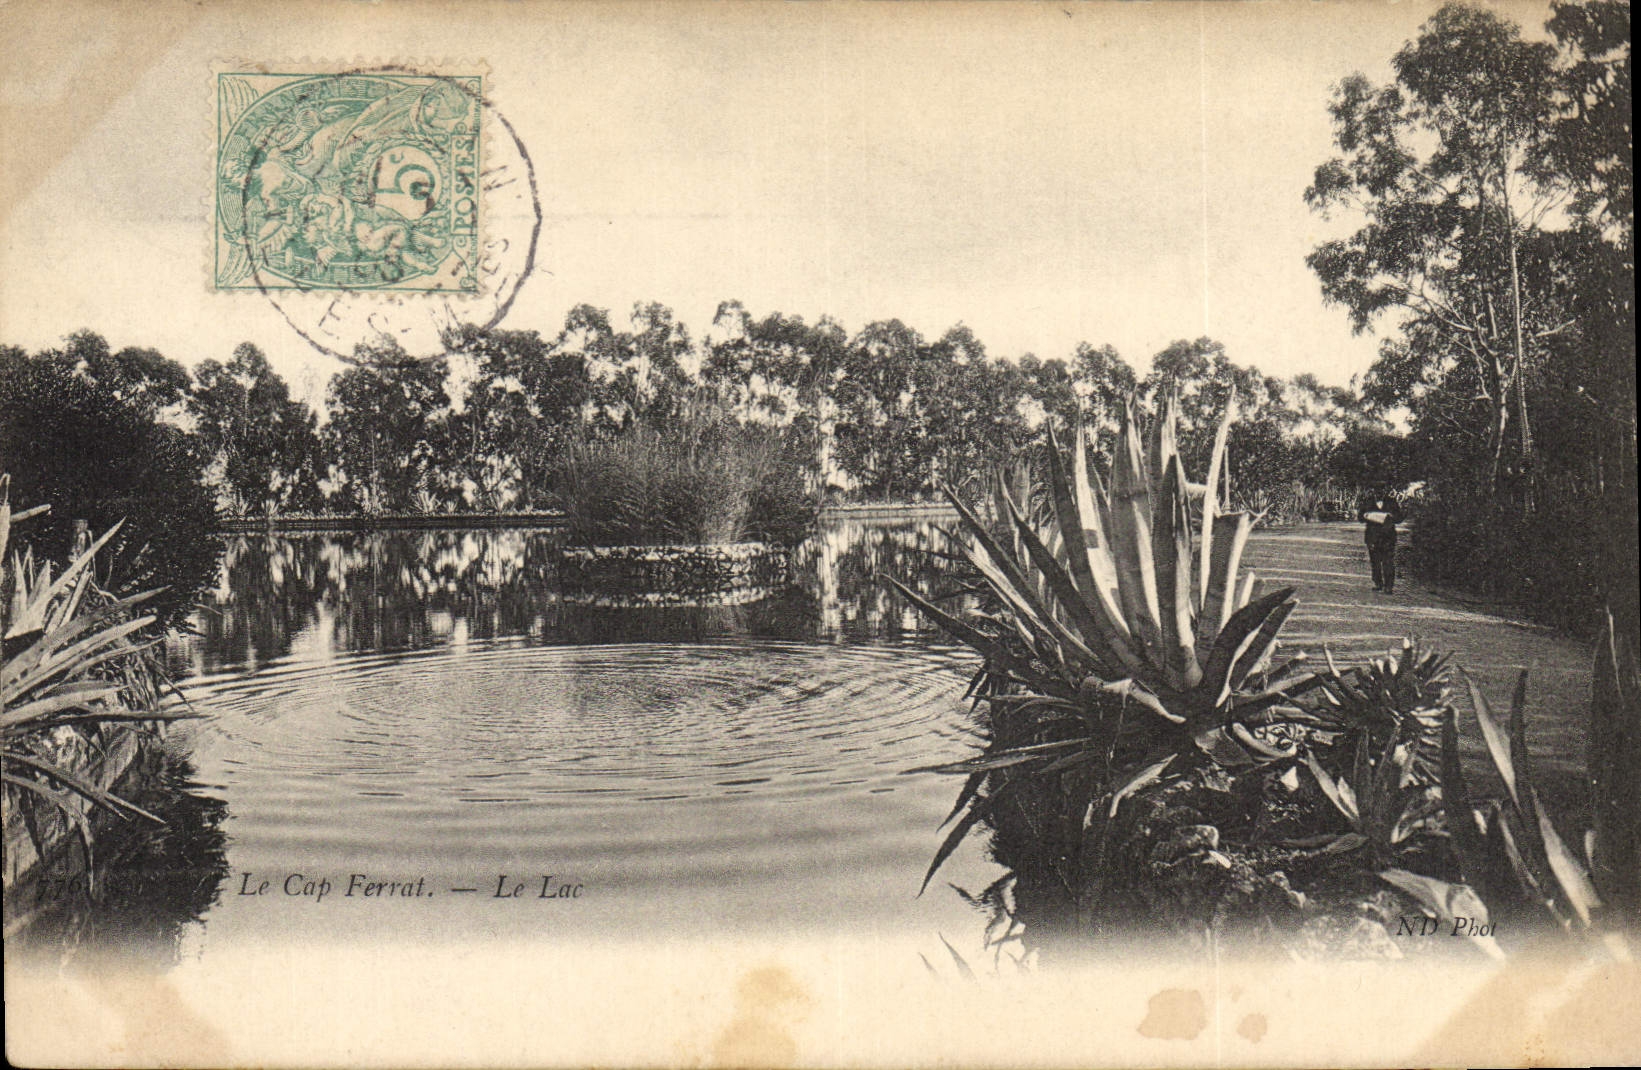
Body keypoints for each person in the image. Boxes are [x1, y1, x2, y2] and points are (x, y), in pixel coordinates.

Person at [1356, 487, 1405, 593]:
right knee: (1375, 562)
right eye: (1377, 490)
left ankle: (1389, 586)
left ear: (1385, 491)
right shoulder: (1368, 501)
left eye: (1382, 490)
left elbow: (1400, 518)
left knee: (1388, 561)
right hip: (1372, 537)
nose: (1379, 492)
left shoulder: (1392, 502)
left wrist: (1391, 517)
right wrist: (1366, 516)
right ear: (1373, 491)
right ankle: (1378, 583)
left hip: (1388, 537)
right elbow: (1360, 517)